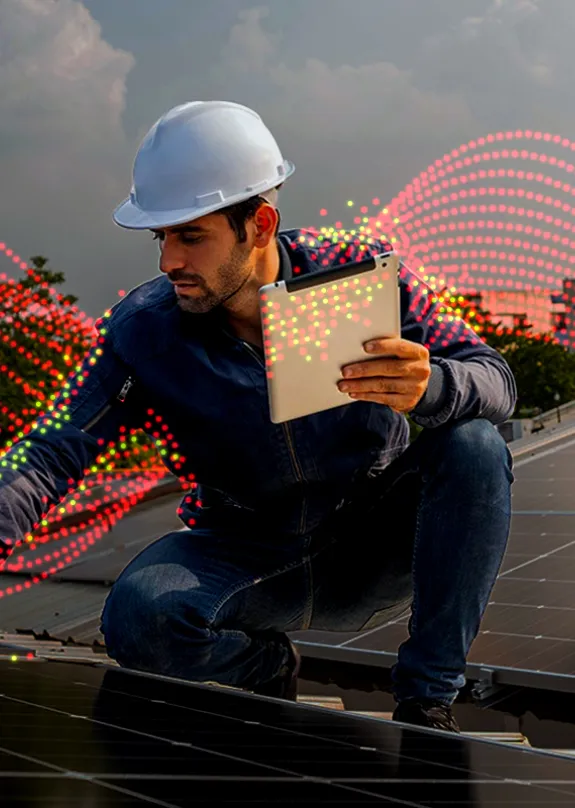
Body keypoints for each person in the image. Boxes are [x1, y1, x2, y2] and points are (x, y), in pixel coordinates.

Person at [0, 101, 516, 732]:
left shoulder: (363, 276)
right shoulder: (143, 332)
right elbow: (55, 449)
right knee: (138, 616)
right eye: (162, 238)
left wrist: (433, 384)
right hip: (245, 554)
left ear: (261, 224)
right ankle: (264, 668)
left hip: (372, 543)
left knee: (476, 446)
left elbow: (497, 379)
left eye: (192, 236)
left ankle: (427, 699)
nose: (169, 262)